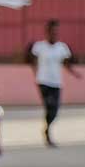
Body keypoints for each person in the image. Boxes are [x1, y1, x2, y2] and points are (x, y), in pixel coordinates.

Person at [26, 20, 80, 148]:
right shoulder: (39, 46)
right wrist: (35, 73)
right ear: (47, 32)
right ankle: (48, 134)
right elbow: (32, 61)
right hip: (43, 81)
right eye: (51, 31)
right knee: (49, 104)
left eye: (56, 31)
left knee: (54, 110)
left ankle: (47, 128)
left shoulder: (62, 47)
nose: (54, 34)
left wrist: (74, 72)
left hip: (56, 82)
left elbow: (66, 63)